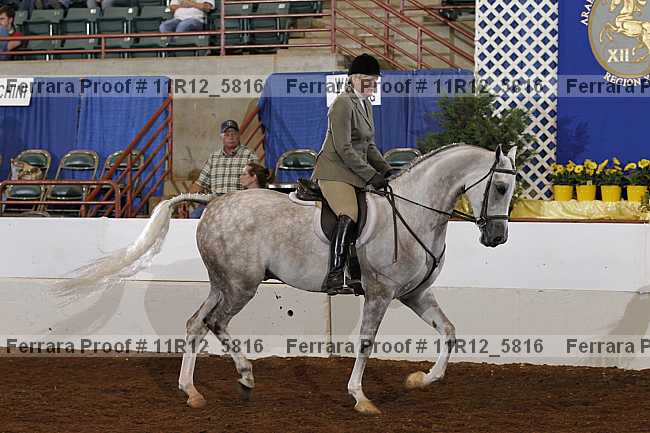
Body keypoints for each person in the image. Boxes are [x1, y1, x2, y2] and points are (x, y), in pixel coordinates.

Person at [312, 53, 399, 295]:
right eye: (369, 80)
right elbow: (344, 148)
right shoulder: (342, 104)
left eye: (375, 81)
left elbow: (368, 146)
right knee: (349, 213)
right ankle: (335, 274)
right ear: (354, 78)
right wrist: (371, 175)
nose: (373, 85)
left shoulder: (365, 104)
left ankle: (357, 271)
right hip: (334, 171)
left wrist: (386, 169)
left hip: (353, 171)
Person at [189, 119, 258, 218]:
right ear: (222, 137)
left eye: (234, 134)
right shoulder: (214, 157)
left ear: (239, 135)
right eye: (227, 134)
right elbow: (200, 183)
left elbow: (256, 183)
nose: (231, 137)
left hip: (239, 202)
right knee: (195, 215)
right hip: (215, 202)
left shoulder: (249, 155)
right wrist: (185, 199)